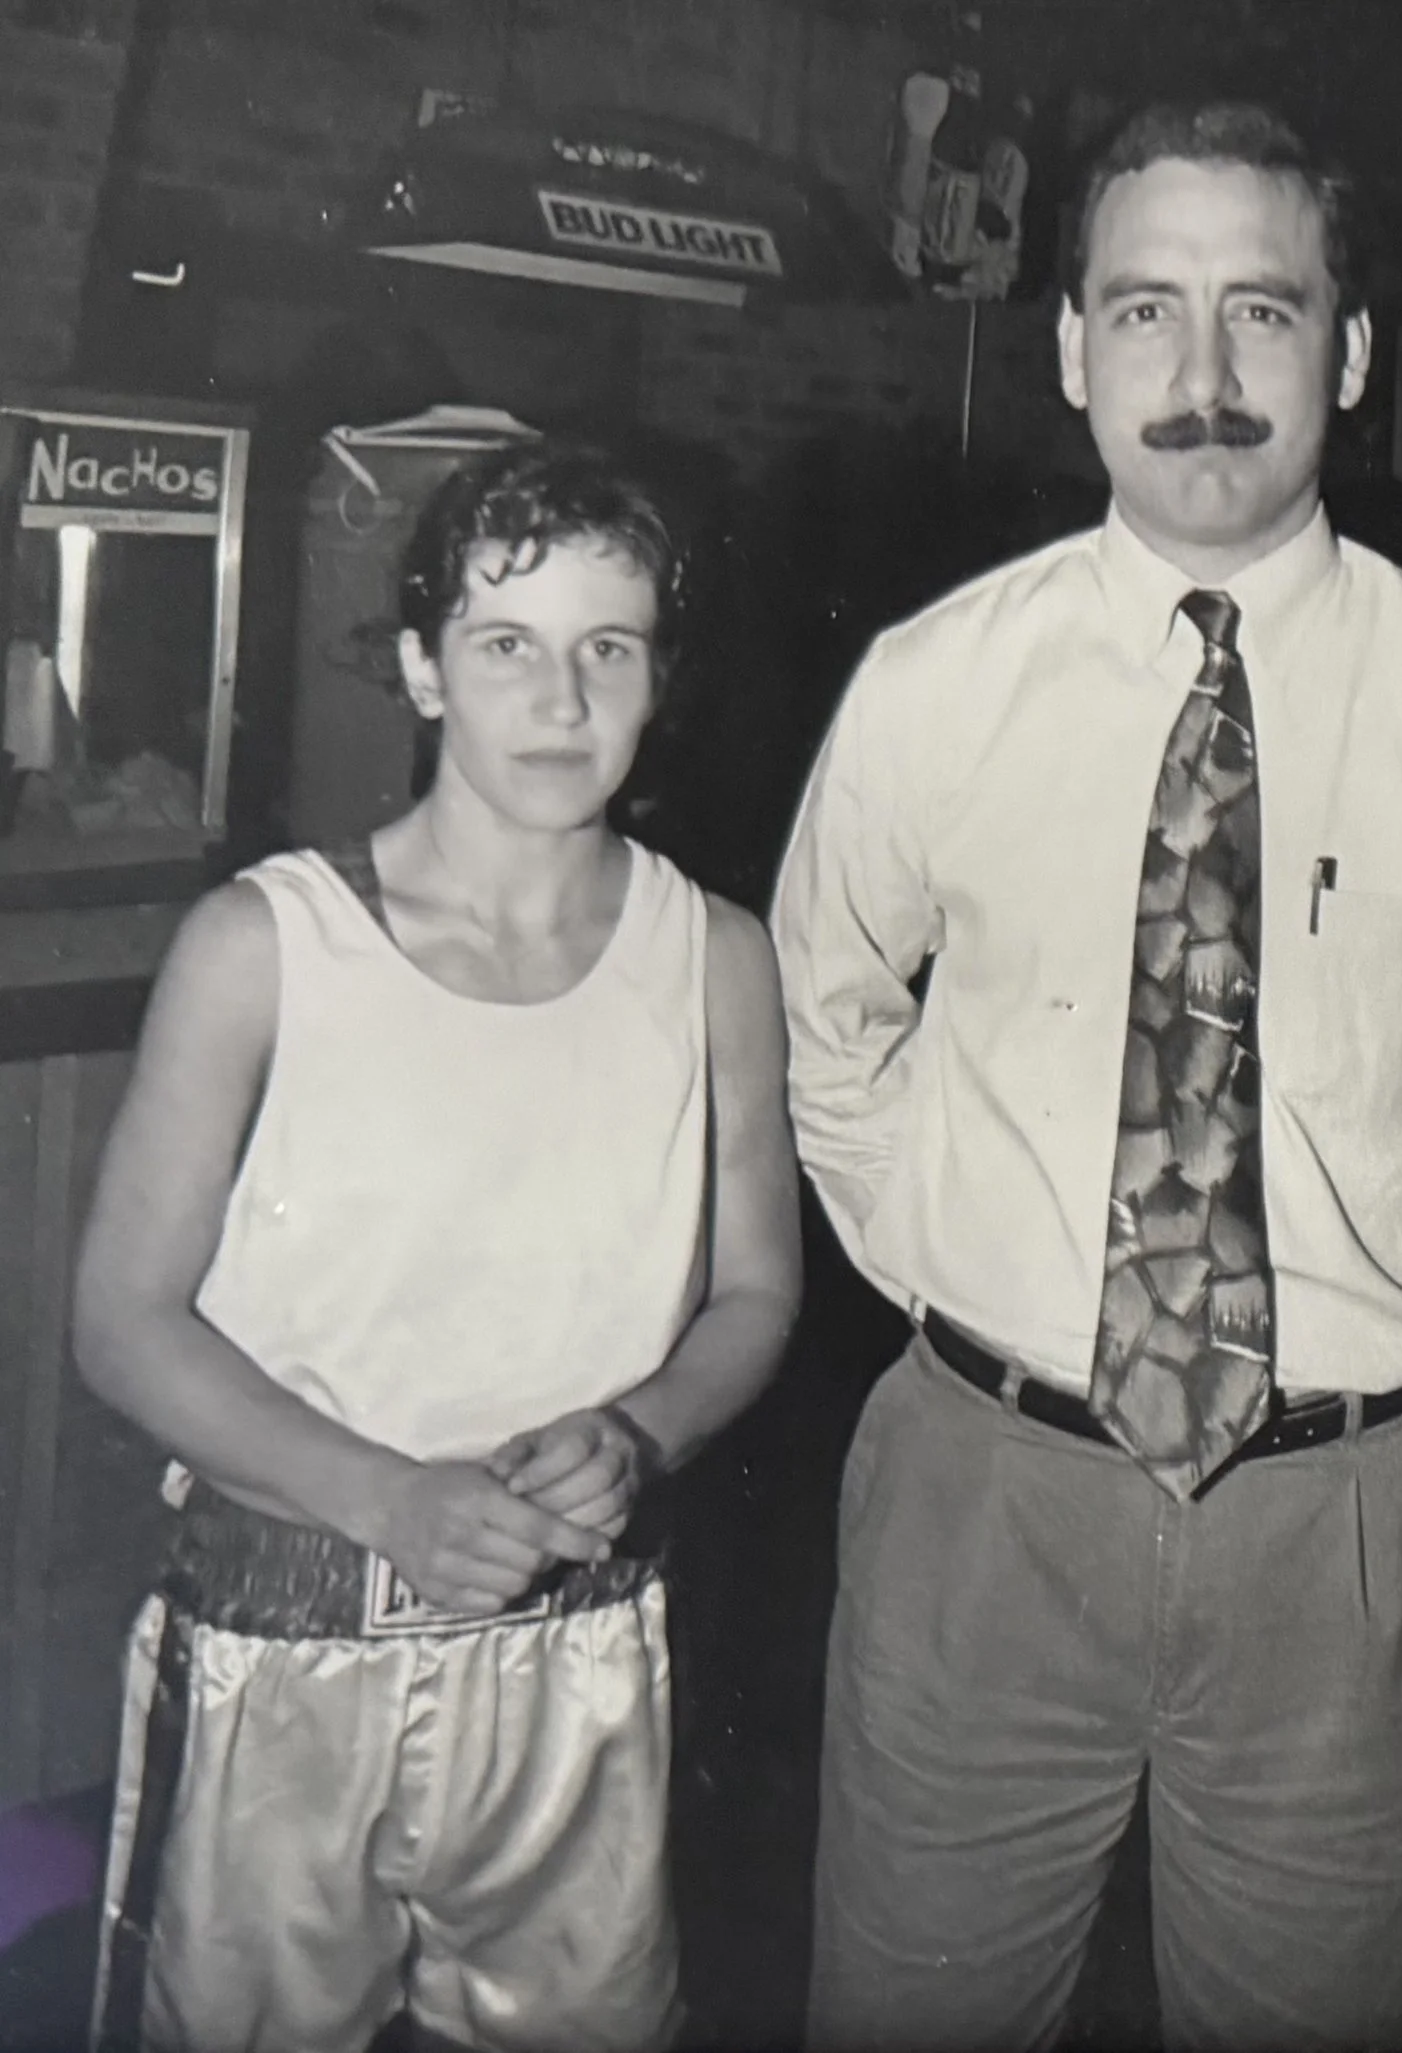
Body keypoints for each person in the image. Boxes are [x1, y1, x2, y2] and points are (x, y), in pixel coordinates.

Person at [772, 99, 1402, 2051]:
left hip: (1340, 1539)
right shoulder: (935, 686)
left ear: (1347, 356)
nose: (1199, 380)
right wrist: (962, 1272)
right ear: (1065, 349)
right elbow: (829, 1022)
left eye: (1261, 315)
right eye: (1141, 313)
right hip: (982, 1505)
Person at [74, 444, 803, 2053]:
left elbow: (756, 1293)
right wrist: (385, 1496)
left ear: (656, 680)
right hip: (285, 1641)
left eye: (606, 650)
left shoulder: (716, 957)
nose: (561, 699)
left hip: (580, 1650)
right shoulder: (265, 945)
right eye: (505, 646)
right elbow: (120, 1321)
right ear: (421, 667)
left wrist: (641, 1430)